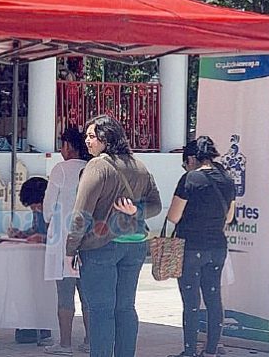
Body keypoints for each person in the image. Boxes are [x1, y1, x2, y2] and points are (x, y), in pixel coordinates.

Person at [66, 114, 162, 357]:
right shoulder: (139, 166)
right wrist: (137, 211)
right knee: (125, 308)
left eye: (91, 136)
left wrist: (70, 249)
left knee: (100, 310)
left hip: (102, 246)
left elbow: (81, 214)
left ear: (106, 138)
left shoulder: (98, 166)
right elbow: (157, 205)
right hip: (135, 246)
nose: (87, 141)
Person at [166, 137, 236, 357]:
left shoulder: (190, 179)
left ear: (191, 159)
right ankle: (211, 350)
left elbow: (174, 216)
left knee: (191, 302)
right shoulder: (227, 179)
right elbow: (230, 216)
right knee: (214, 298)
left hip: (190, 246)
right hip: (217, 246)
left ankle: (189, 351)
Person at [42, 128, 91, 355]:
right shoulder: (93, 168)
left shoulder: (61, 169)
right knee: (88, 294)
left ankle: (65, 343)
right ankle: (91, 340)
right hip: (89, 238)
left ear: (68, 146)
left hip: (63, 238)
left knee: (65, 294)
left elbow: (48, 208)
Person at [9, 177, 53, 347]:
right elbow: (36, 229)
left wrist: (42, 238)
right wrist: (23, 234)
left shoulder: (59, 209)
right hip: (36, 259)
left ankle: (43, 328)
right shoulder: (38, 211)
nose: (36, 210)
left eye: (36, 206)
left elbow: (61, 235)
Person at [8, 177, 49, 243]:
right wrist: (22, 234)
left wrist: (43, 239)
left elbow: (68, 240)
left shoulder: (62, 212)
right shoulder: (37, 212)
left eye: (38, 207)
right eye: (32, 208)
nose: (37, 211)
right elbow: (36, 230)